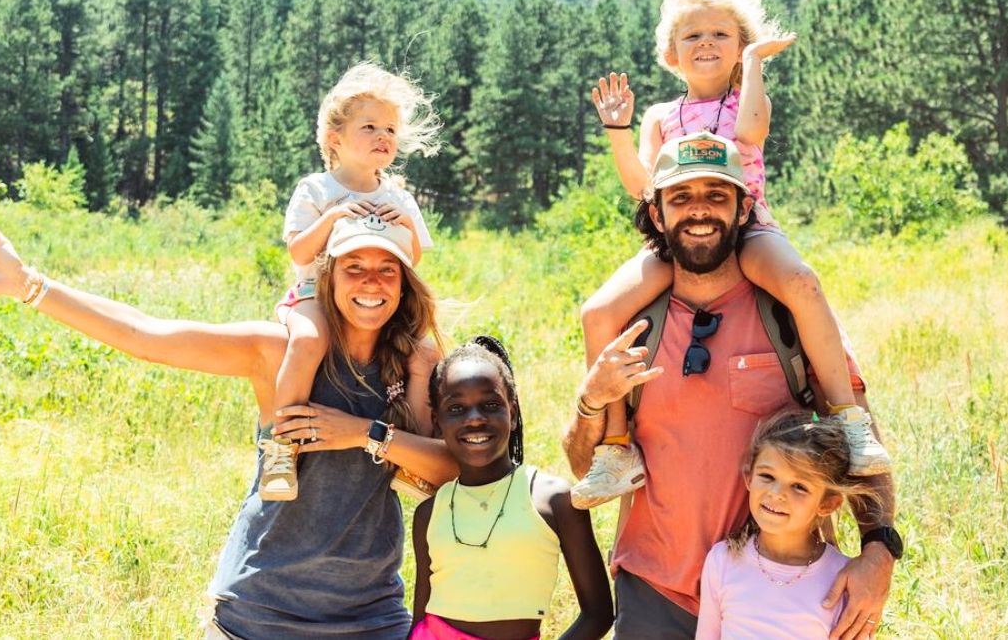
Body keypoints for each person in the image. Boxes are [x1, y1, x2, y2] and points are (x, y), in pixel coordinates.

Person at [0, 214, 455, 639]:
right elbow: (147, 335)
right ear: (328, 276)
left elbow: (444, 471)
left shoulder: (412, 366)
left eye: (387, 270)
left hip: (372, 614)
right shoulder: (278, 351)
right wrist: (29, 285)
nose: (370, 282)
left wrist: (365, 432)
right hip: (261, 609)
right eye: (354, 266)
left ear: (405, 286)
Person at [571, 0, 889, 510]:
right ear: (671, 54)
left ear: (740, 46)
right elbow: (641, 185)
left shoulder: (745, 98)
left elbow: (754, 132)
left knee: (801, 283)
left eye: (721, 34)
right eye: (692, 36)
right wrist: (618, 132)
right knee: (598, 313)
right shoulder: (660, 115)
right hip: (675, 237)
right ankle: (617, 448)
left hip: (747, 227)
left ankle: (848, 417)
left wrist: (756, 66)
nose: (706, 44)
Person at [562, 131, 899, 640]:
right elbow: (587, 468)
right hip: (656, 591)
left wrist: (879, 548)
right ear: (658, 215)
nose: (700, 211)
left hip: (783, 590)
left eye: (717, 195)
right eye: (681, 197)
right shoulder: (633, 323)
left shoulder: (789, 313)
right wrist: (592, 402)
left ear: (744, 209)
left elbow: (856, 433)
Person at [269, 61, 440, 500]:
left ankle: (416, 456)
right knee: (307, 341)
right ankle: (281, 446)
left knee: (425, 352)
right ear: (335, 138)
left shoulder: (398, 196)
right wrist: (332, 218)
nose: (383, 137)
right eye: (369, 127)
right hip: (315, 294)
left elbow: (413, 259)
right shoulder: (317, 190)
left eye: (389, 129)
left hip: (375, 299)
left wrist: (403, 220)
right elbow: (298, 253)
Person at [410, 337, 613, 640]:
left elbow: (599, 613)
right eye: (457, 408)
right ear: (437, 421)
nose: (475, 418)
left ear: (513, 412)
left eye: (490, 405)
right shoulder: (430, 512)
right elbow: (420, 618)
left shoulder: (552, 500)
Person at [696, 410, 883, 639]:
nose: (776, 494)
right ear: (749, 476)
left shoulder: (842, 580)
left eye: (799, 487)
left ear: (827, 504)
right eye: (767, 476)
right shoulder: (722, 561)